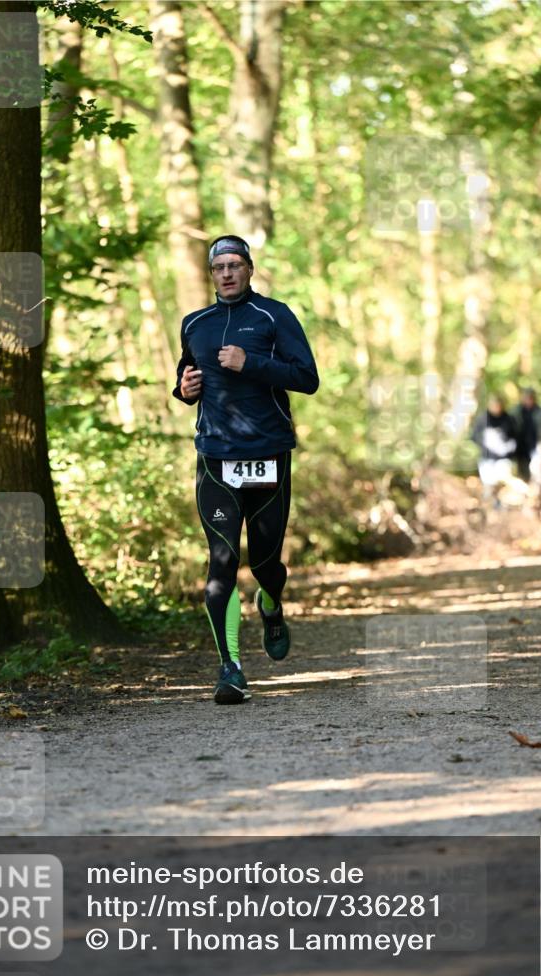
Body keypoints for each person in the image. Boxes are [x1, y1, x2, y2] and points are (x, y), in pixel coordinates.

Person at [173, 235, 319, 705]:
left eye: (235, 265)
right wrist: (184, 389)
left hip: (269, 454)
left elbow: (307, 378)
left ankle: (271, 603)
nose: (227, 273)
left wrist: (249, 362)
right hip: (216, 458)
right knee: (221, 561)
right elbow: (187, 378)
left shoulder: (274, 316)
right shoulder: (194, 323)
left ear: (250, 269)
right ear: (211, 274)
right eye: (219, 267)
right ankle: (230, 668)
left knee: (265, 564)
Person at [510, 388, 541, 512]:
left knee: (538, 476)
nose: (528, 400)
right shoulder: (515, 413)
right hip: (521, 451)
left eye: (530, 397)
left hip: (538, 449)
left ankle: (538, 503)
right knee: (523, 477)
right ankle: (525, 503)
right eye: (526, 397)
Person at [469, 395, 518, 509]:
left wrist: (509, 447)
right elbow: (474, 436)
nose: (496, 408)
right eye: (494, 405)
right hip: (487, 458)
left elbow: (516, 436)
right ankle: (490, 505)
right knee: (488, 483)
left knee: (502, 480)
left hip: (503, 458)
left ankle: (501, 503)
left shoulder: (509, 419)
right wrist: (486, 443)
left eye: (498, 405)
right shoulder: (483, 419)